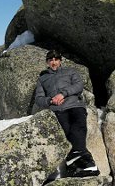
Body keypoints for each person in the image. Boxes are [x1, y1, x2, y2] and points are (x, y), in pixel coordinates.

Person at [35, 50, 100, 178]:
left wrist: (63, 93)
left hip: (74, 105)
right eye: (51, 60)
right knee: (65, 129)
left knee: (78, 126)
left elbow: (79, 85)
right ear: (47, 62)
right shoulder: (42, 79)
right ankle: (83, 160)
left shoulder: (70, 72)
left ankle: (74, 159)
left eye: (56, 59)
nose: (54, 62)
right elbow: (39, 98)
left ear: (60, 61)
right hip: (57, 109)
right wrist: (50, 100)